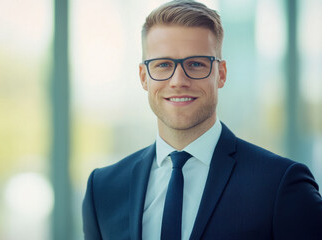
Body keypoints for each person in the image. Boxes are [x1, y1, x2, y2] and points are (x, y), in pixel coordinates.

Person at [82, 1, 322, 239]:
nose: (178, 81)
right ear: (144, 77)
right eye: (163, 65)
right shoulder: (102, 189)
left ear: (222, 74)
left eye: (196, 64)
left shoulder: (281, 185)